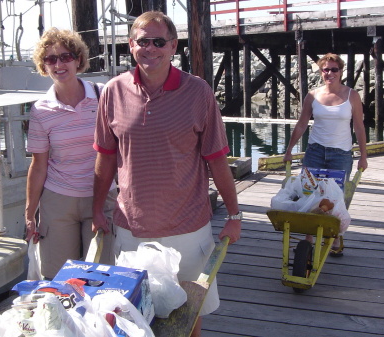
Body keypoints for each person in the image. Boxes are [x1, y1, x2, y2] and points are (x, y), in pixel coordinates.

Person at [92, 11, 241, 337]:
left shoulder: (198, 92)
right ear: (131, 46)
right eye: (142, 41)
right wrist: (96, 209)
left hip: (188, 231)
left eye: (158, 41)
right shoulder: (112, 93)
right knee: (131, 318)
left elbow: (217, 160)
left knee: (189, 319)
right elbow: (105, 160)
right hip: (131, 231)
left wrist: (234, 214)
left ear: (173, 46)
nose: (150, 48)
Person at [24, 27, 116, 280]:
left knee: (100, 275)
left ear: (78, 60)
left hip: (102, 196)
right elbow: (39, 165)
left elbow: (121, 149)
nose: (59, 64)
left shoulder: (103, 95)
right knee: (59, 278)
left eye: (65, 57)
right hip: (58, 201)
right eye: (51, 59)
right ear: (44, 66)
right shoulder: (40, 109)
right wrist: (30, 214)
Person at [283, 52, 368, 256]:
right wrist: (289, 150)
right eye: (325, 69)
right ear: (321, 72)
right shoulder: (312, 95)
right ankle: (309, 237)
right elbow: (302, 124)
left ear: (340, 71)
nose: (329, 73)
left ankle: (336, 234)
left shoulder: (351, 95)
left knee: (335, 196)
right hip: (315, 151)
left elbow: (359, 126)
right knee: (309, 193)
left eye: (333, 69)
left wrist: (363, 155)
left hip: (341, 154)